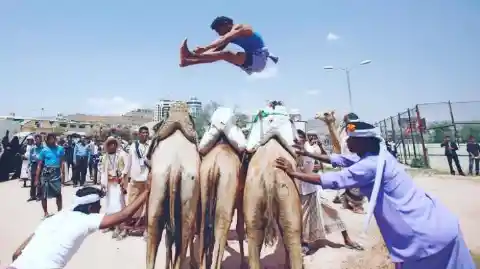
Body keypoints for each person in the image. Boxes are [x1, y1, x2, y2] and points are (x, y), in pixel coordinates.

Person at [274, 120, 475, 268]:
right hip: (441, 226)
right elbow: (339, 160)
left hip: (424, 242)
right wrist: (307, 153)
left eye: (351, 139)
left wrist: (293, 173)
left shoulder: (369, 166)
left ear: (365, 142)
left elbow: (332, 180)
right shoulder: (379, 156)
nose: (348, 143)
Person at [10, 184, 150, 269]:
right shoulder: (86, 220)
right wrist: (148, 190)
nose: (100, 207)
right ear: (90, 208)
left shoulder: (54, 217)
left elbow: (16, 254)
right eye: (98, 205)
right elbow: (124, 215)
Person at [295, 130, 362, 255]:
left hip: (313, 188)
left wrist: (318, 148)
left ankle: (347, 239)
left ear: (304, 140)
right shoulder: (292, 152)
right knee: (301, 218)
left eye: (300, 139)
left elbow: (318, 163)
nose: (298, 141)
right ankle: (304, 243)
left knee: (332, 211)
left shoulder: (310, 150)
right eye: (296, 139)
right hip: (298, 190)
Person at [179, 16, 278, 75]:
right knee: (221, 55)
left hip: (259, 60)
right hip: (250, 63)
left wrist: (205, 48)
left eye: (218, 30)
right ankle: (187, 61)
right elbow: (213, 54)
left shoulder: (243, 28)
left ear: (226, 24)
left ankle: (189, 57)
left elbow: (225, 38)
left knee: (227, 54)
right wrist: (190, 60)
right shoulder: (228, 38)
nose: (218, 33)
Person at [100, 136, 129, 240]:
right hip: (109, 184)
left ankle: (118, 227)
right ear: (107, 146)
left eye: (114, 144)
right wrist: (102, 183)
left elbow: (127, 166)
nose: (112, 146)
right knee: (109, 204)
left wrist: (123, 175)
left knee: (118, 204)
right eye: (110, 144)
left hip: (118, 184)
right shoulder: (104, 157)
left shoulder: (121, 155)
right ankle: (110, 224)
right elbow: (103, 171)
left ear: (116, 145)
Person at [126, 126, 150, 236]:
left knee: (147, 203)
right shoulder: (133, 146)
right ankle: (130, 226)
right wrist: (124, 175)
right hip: (136, 179)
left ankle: (144, 228)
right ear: (139, 134)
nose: (145, 134)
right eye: (143, 133)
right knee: (132, 202)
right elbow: (129, 162)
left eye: (147, 133)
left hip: (147, 179)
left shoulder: (151, 146)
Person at [35, 133, 65, 218]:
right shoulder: (44, 150)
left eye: (53, 139)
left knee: (58, 194)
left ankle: (60, 211)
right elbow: (39, 165)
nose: (52, 141)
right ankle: (45, 212)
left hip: (56, 174)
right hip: (46, 174)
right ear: (47, 140)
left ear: (55, 139)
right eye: (50, 139)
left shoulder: (60, 149)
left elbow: (62, 162)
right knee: (43, 194)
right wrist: (37, 178)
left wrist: (63, 173)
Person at [27, 134, 43, 202]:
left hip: (40, 165)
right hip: (33, 165)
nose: (37, 140)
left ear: (40, 140)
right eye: (36, 139)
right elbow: (30, 158)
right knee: (33, 180)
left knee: (39, 180)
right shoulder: (32, 148)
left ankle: (39, 195)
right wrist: (29, 165)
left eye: (38, 139)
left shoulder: (43, 148)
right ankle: (32, 196)